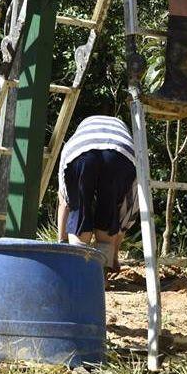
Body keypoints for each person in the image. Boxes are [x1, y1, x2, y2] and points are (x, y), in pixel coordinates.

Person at [57, 113, 139, 270]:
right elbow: (124, 219)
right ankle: (101, 277)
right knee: (109, 218)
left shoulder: (77, 138)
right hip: (121, 154)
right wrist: (114, 258)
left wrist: (61, 244)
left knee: (79, 215)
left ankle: (78, 272)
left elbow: (64, 203)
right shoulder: (122, 133)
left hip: (79, 152)